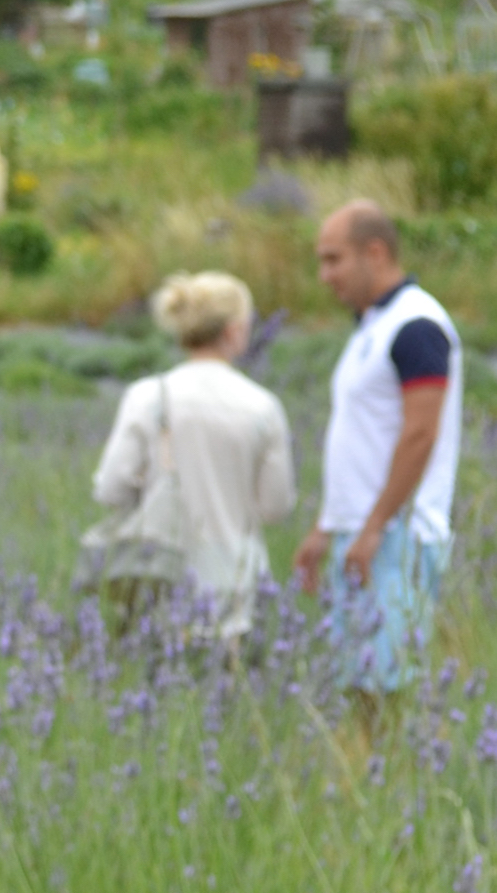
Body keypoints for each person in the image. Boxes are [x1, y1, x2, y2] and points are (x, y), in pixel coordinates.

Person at [291, 201, 465, 696]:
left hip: (397, 537)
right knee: (355, 686)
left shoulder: (417, 326)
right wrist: (326, 527)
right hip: (362, 531)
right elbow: (362, 438)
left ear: (375, 251)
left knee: (389, 690)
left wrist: (373, 527)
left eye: (333, 259)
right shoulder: (371, 326)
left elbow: (420, 434)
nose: (325, 276)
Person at [89, 271, 294, 643]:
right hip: (237, 585)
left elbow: (110, 490)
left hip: (158, 581)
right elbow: (275, 507)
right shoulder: (263, 407)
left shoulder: (147, 397)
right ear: (234, 331)